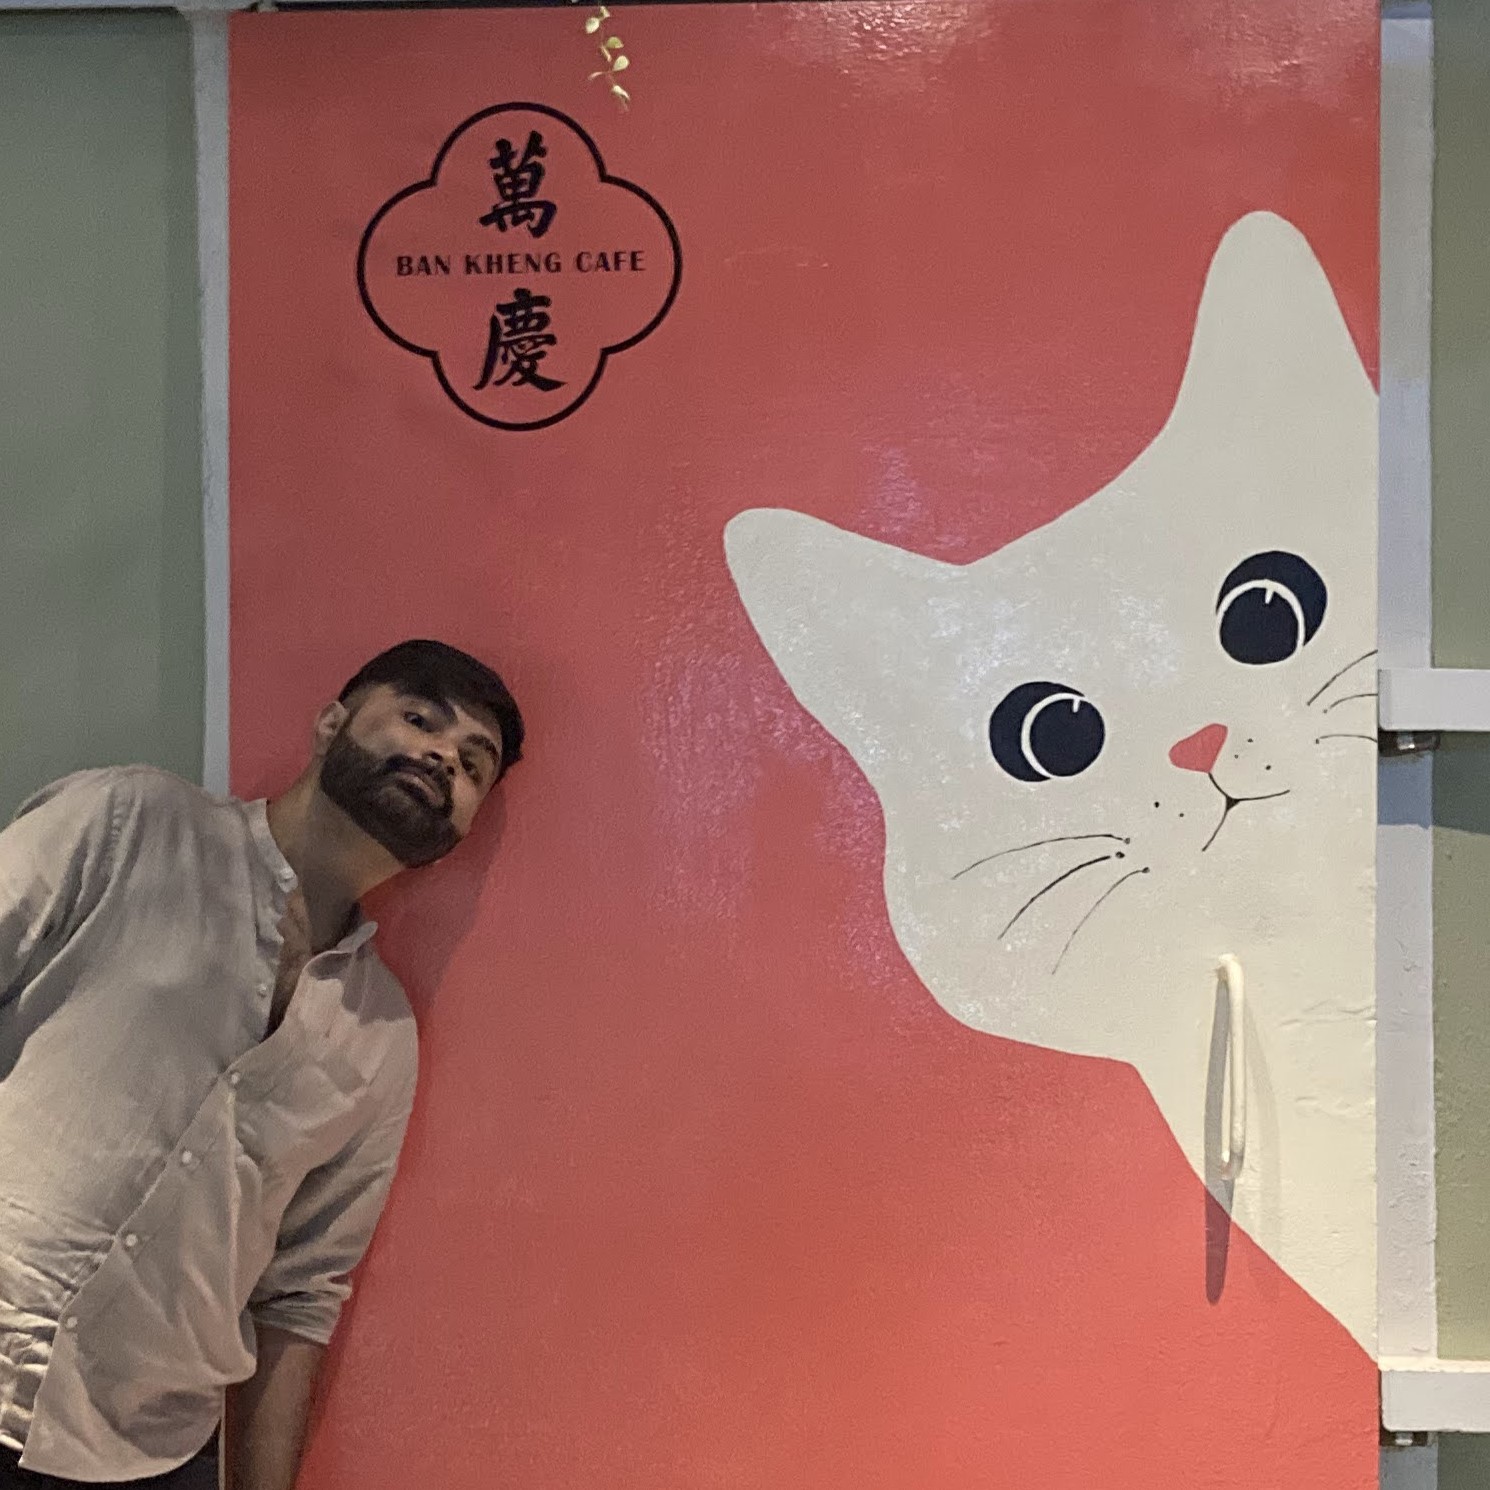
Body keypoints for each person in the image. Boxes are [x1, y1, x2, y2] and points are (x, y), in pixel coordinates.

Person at [0, 639, 524, 1490]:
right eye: (419, 718)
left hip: (148, 1454)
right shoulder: (131, 823)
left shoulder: (381, 1036)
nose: (442, 758)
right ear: (330, 723)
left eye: (473, 764)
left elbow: (299, 1297)